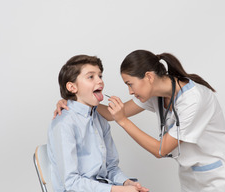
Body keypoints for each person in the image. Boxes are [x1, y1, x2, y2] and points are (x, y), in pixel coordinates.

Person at [55, 50, 225, 192]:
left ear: (148, 77)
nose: (129, 91)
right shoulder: (156, 94)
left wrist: (123, 121)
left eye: (130, 84)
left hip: (220, 175)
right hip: (191, 174)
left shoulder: (194, 98)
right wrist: (71, 102)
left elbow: (160, 150)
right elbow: (112, 114)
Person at [48, 54, 149, 192]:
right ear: (72, 87)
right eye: (91, 77)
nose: (100, 81)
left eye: (100, 76)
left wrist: (126, 183)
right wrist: (116, 190)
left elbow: (111, 168)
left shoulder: (100, 120)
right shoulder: (64, 124)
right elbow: (71, 183)